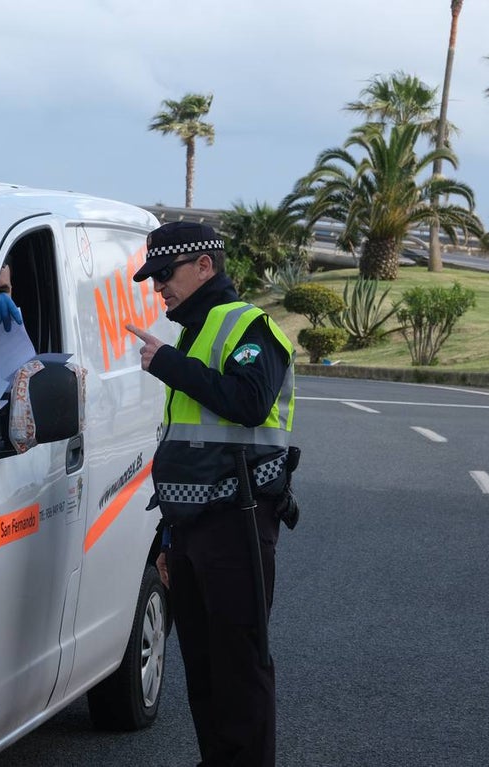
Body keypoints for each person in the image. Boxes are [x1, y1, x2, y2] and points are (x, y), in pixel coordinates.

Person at [126, 221, 295, 767]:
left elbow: (247, 403)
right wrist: (167, 540)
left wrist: (172, 367)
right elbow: (184, 450)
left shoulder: (249, 325)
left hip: (239, 520)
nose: (159, 290)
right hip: (193, 529)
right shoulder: (193, 335)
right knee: (202, 667)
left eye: (166, 275)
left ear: (205, 265)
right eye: (153, 280)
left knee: (239, 666)